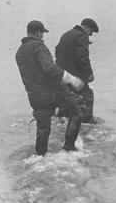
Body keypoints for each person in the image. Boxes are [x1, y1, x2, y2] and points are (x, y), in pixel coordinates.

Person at [15, 20, 85, 155]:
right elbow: (50, 70)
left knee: (43, 127)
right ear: (37, 33)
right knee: (78, 106)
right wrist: (72, 79)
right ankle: (69, 147)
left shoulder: (19, 52)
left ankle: (40, 157)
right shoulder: (39, 47)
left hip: (35, 97)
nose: (42, 37)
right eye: (42, 33)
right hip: (52, 94)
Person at [55, 17, 101, 124]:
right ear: (87, 28)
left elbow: (57, 51)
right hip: (75, 74)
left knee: (67, 95)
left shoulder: (66, 34)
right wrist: (89, 74)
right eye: (91, 32)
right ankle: (87, 119)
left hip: (62, 73)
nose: (91, 35)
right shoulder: (81, 36)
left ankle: (63, 117)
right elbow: (82, 57)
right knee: (87, 94)